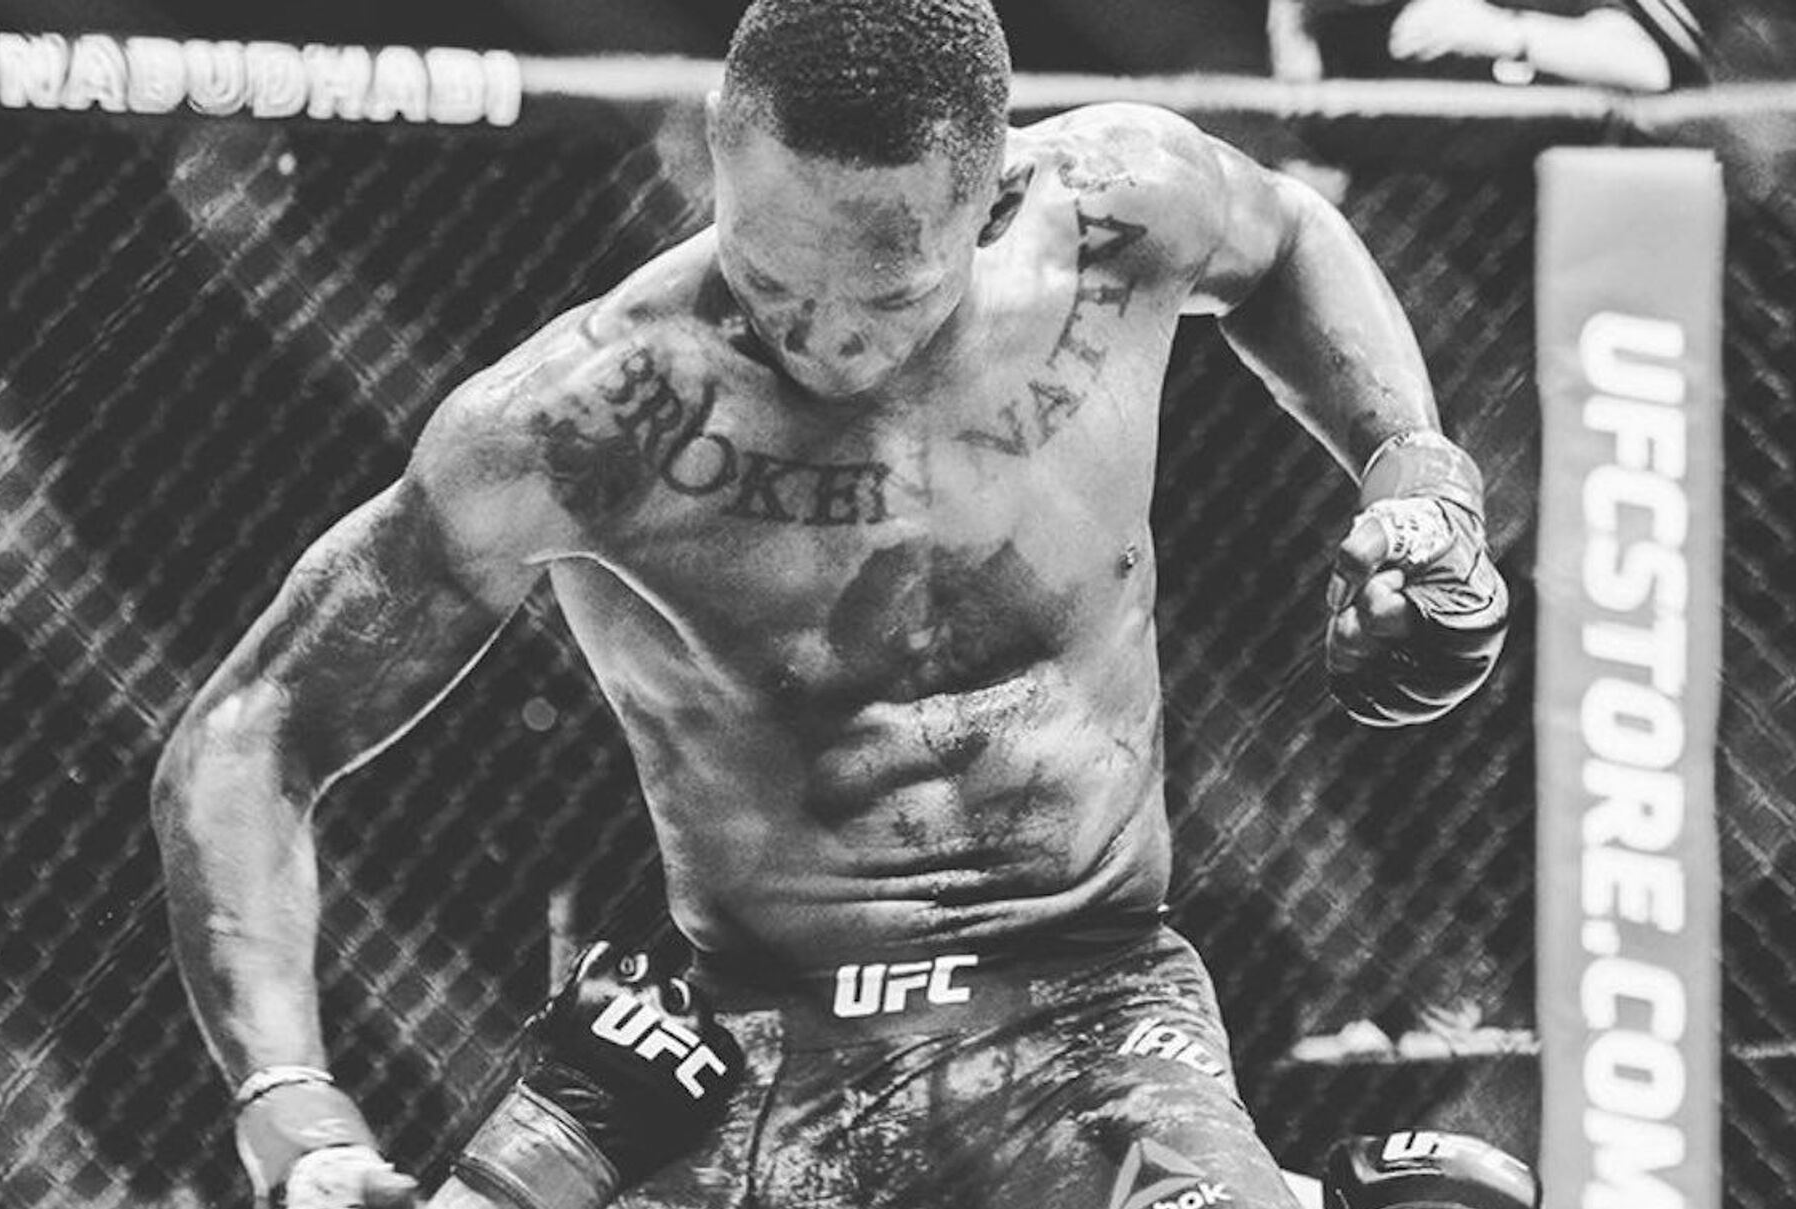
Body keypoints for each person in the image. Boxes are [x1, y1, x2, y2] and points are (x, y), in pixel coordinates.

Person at [150, 1, 1518, 1206]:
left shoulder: (1114, 215)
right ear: (719, 157)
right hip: (749, 1052)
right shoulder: (586, 419)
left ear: (993, 200)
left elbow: (1286, 237)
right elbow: (253, 729)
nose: (821, 335)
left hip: (1098, 1012)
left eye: (885, 293)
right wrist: (293, 1110)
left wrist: (1418, 477)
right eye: (770, 274)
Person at [1285, 0, 1708, 91]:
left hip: (1546, 225)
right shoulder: (1337, 24)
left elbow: (1646, 65)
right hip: (1403, 237)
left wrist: (1495, 31)